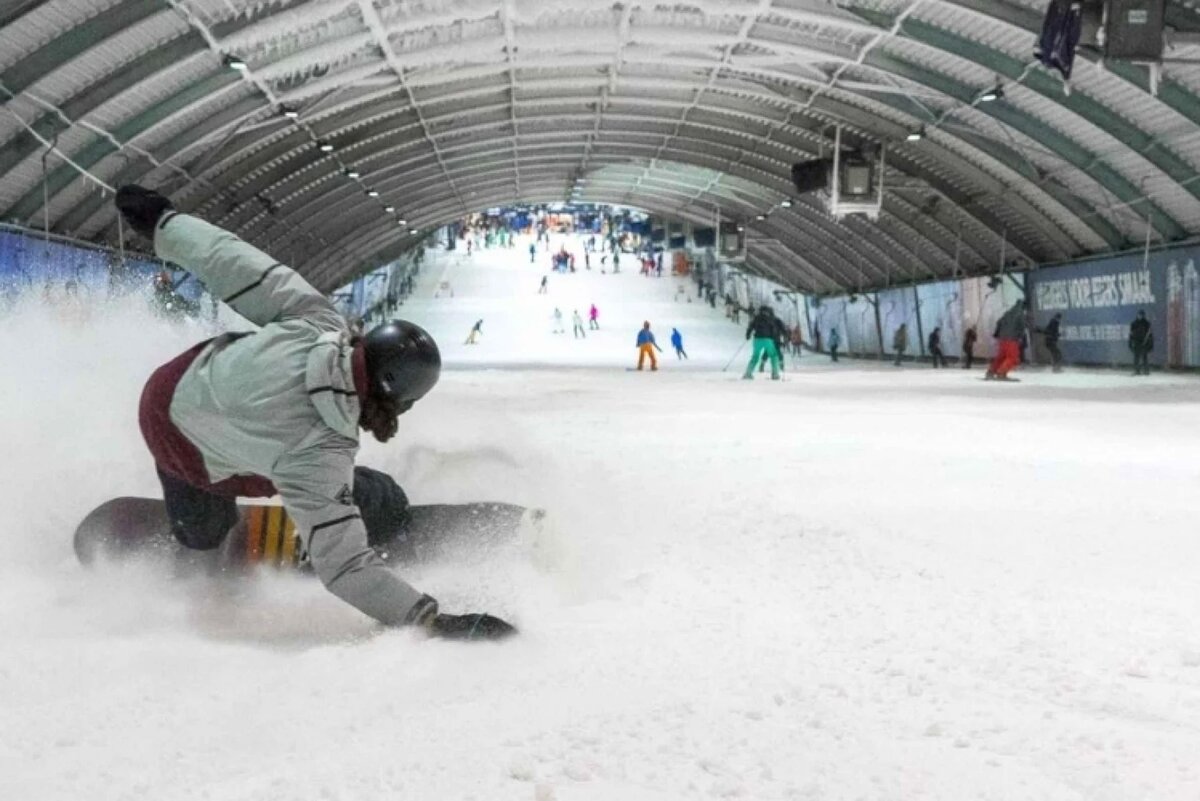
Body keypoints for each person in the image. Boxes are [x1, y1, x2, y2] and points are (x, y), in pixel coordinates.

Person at [114, 185, 513, 640]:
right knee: (216, 531)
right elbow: (343, 567)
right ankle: (210, 524)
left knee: (273, 477)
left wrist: (164, 224)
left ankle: (210, 518)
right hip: (185, 449)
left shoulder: (318, 320)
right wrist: (429, 620)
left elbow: (235, 263)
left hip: (174, 382)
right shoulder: (320, 454)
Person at [986, 300, 1026, 381]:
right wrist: (1021, 337)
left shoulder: (1008, 313)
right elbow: (1022, 327)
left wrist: (997, 333)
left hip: (1002, 339)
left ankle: (991, 372)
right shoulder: (1020, 314)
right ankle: (1001, 373)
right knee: (1013, 357)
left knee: (1001, 357)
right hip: (1012, 339)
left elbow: (999, 322)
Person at [744, 306, 782, 380]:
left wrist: (748, 335)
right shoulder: (770, 319)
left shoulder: (756, 318)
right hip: (767, 340)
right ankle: (775, 374)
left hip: (757, 340)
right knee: (773, 356)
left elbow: (751, 326)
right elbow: (773, 330)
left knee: (755, 356)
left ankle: (748, 373)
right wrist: (776, 339)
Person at [1129, 310, 1153, 376]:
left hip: (1144, 342)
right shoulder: (1134, 324)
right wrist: (1130, 343)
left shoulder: (1146, 323)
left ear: (1143, 316)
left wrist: (1150, 343)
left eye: (1141, 315)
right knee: (1136, 357)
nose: (1140, 316)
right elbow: (1131, 334)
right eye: (1139, 315)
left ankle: (1146, 370)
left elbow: (1149, 335)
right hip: (1136, 342)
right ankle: (1136, 370)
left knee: (1144, 357)